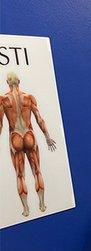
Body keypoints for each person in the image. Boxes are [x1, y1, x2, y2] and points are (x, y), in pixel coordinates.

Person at [0, 72, 56, 217]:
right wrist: (47, 137)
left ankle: (26, 209)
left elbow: (0, 124)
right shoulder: (28, 97)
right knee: (37, 171)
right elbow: (39, 118)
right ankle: (42, 204)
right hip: (29, 135)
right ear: (19, 81)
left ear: (7, 82)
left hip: (15, 137)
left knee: (20, 175)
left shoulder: (3, 100)